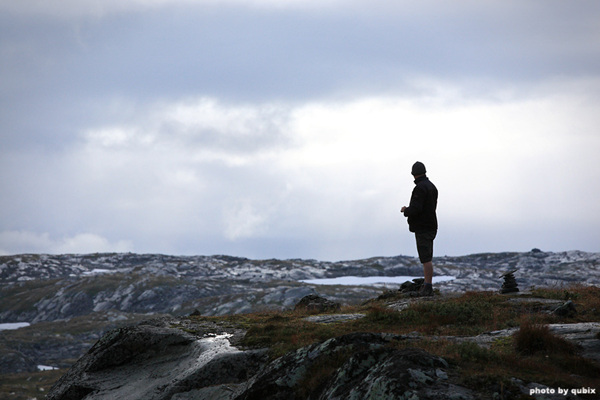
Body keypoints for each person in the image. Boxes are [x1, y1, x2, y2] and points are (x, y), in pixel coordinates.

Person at [401, 161, 438, 297]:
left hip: (423, 227)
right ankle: (427, 285)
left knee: (425, 258)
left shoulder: (420, 188)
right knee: (427, 256)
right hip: (432, 225)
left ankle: (427, 287)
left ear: (413, 174)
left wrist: (406, 210)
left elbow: (416, 209)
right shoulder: (432, 187)